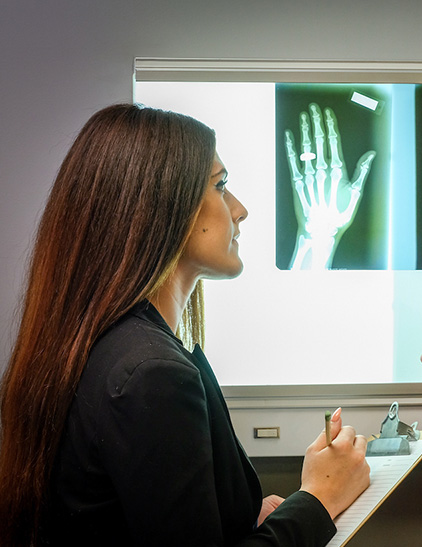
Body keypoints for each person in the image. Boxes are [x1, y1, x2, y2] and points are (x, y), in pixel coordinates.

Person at [0, 104, 370, 546]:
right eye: (221, 185)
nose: (241, 210)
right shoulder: (150, 374)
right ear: (163, 204)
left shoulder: (113, 349)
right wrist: (319, 500)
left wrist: (246, 518)